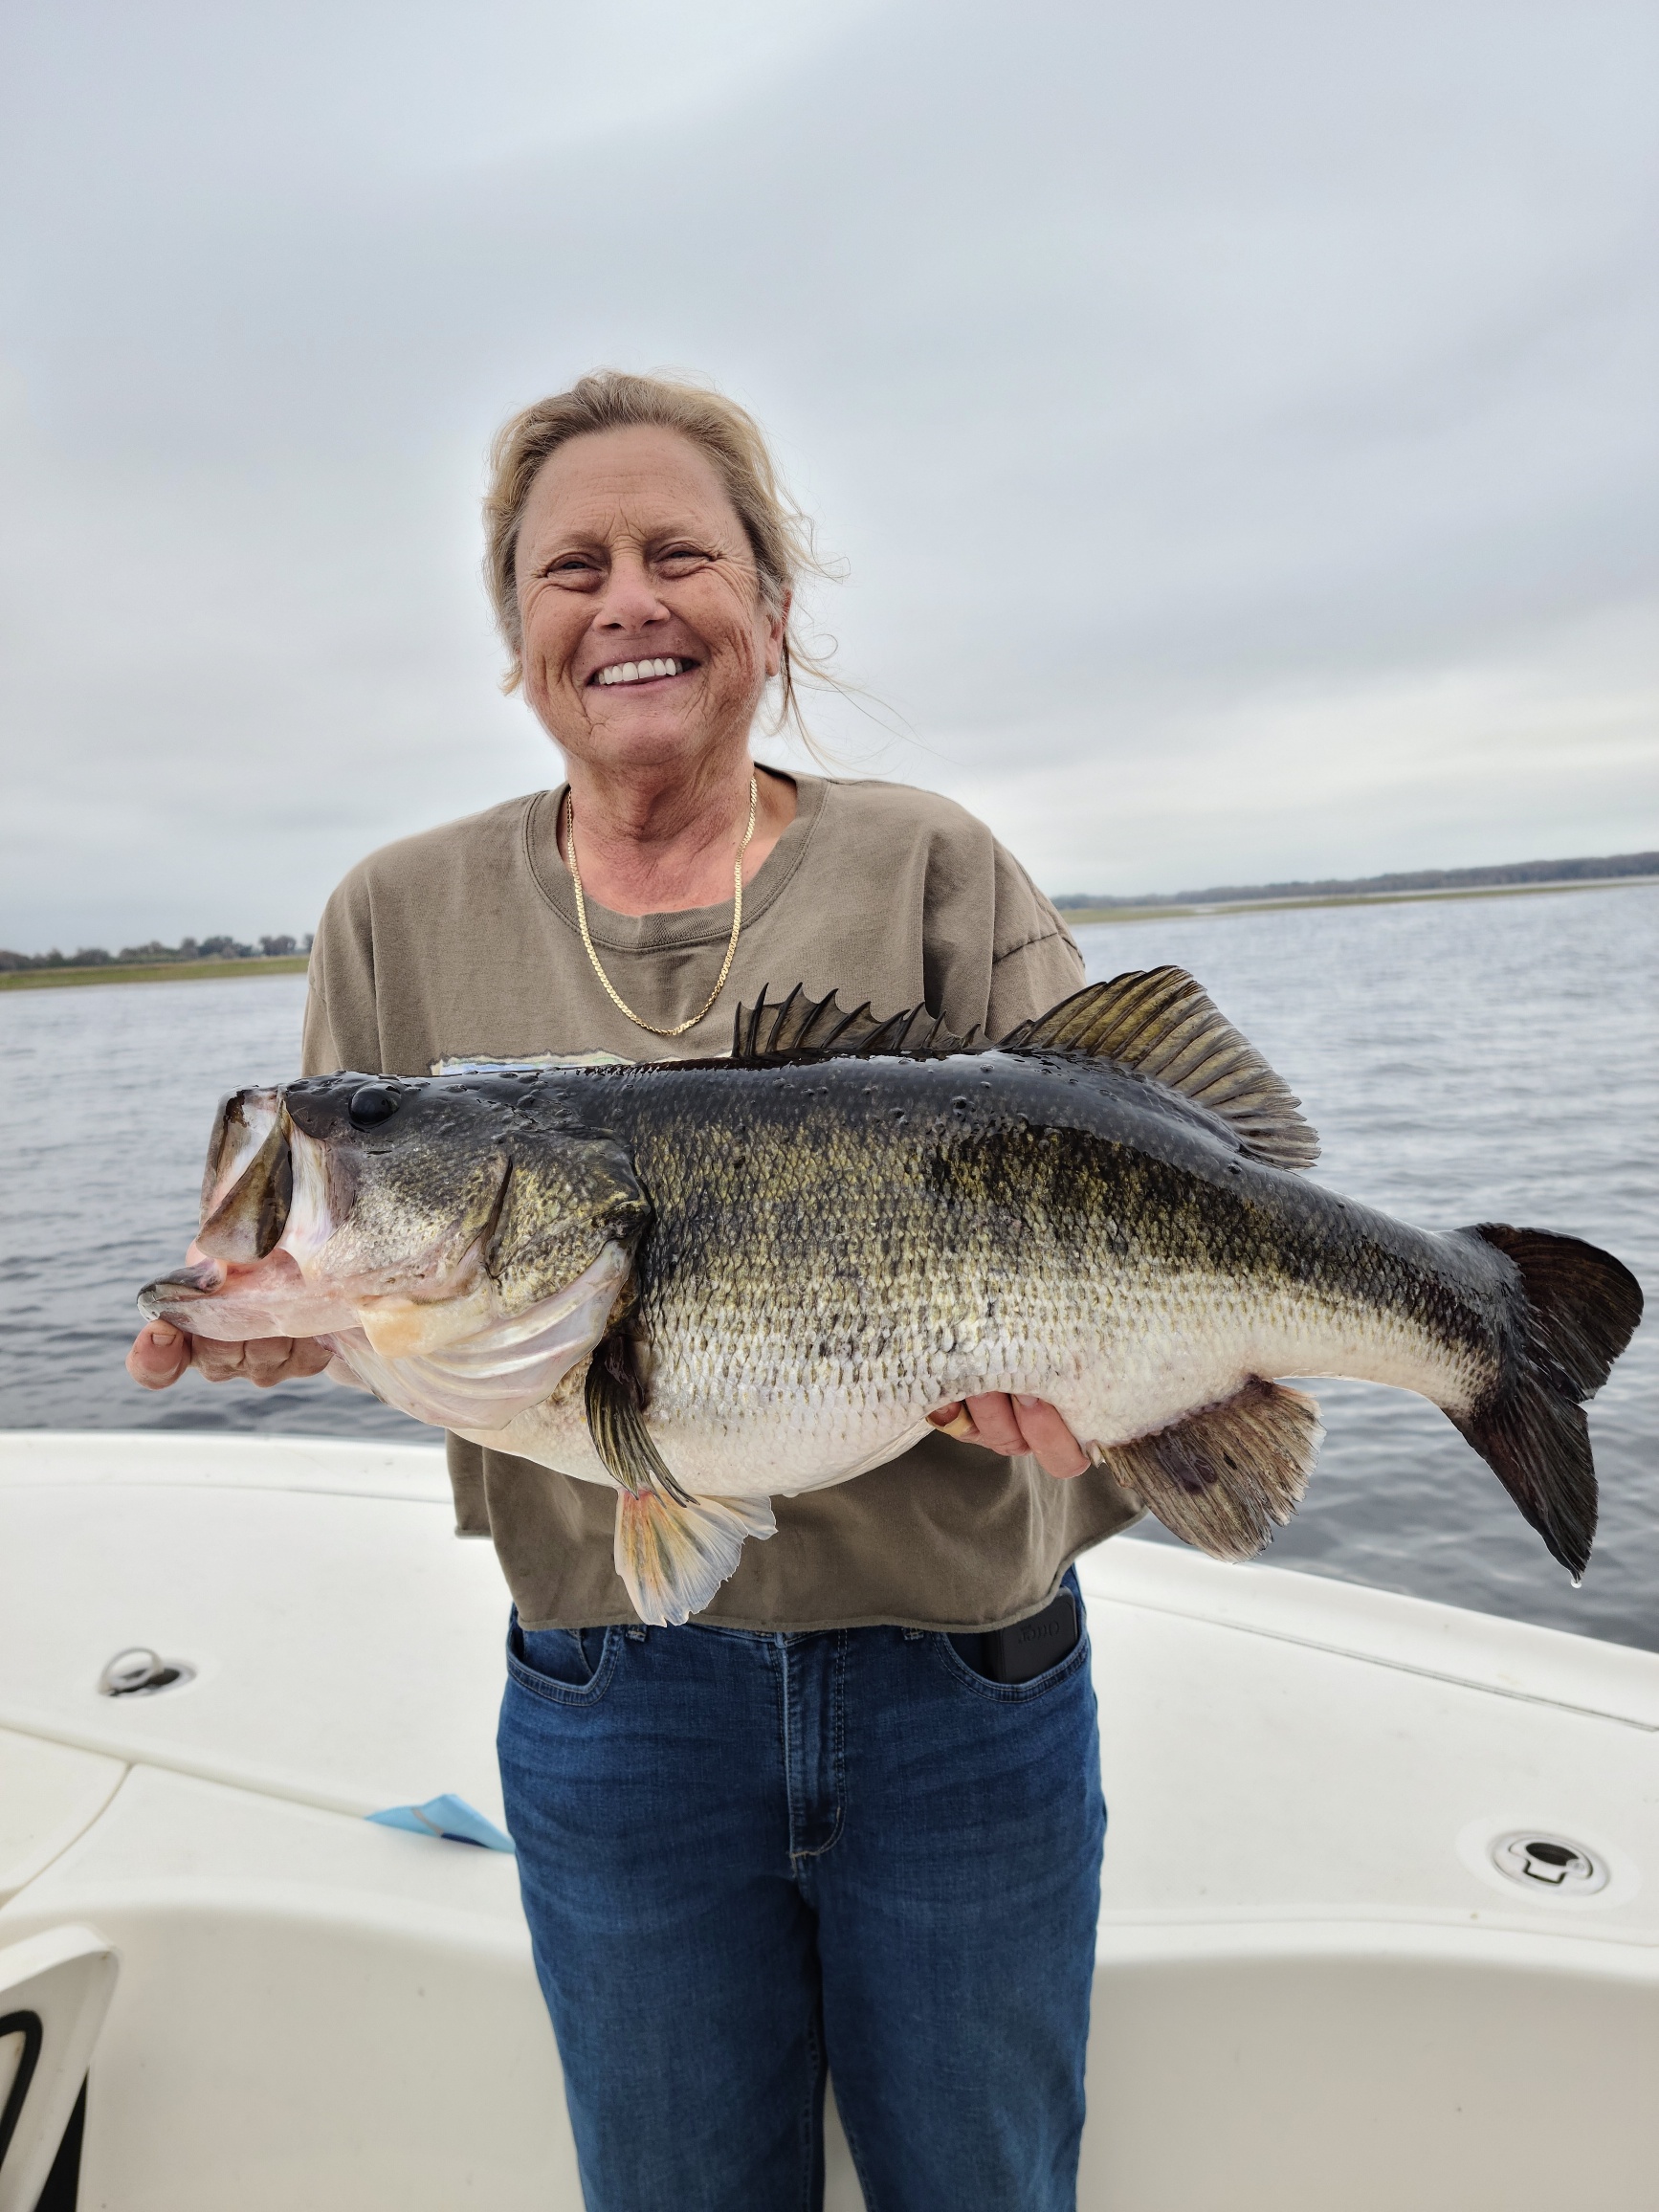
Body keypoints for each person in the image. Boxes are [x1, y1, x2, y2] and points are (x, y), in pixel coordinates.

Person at [128, 371, 1139, 2211]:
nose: (627, 602)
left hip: (963, 1696)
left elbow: (1119, 1169)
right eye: (567, 567)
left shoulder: (929, 865)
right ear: (515, 633)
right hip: (617, 1708)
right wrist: (301, 1324)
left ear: (771, 599)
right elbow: (424, 1306)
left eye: (681, 552)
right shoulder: (392, 917)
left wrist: (1106, 1390)